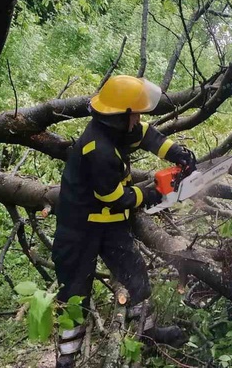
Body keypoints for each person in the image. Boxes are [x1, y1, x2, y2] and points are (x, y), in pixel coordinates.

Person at [52, 75, 196, 368]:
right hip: (79, 228)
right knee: (75, 293)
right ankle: (66, 359)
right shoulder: (99, 149)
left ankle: (148, 333)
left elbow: (147, 135)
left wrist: (177, 152)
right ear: (122, 115)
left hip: (109, 223)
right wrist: (152, 193)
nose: (140, 117)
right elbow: (114, 197)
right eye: (136, 113)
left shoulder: (117, 127)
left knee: (136, 274)